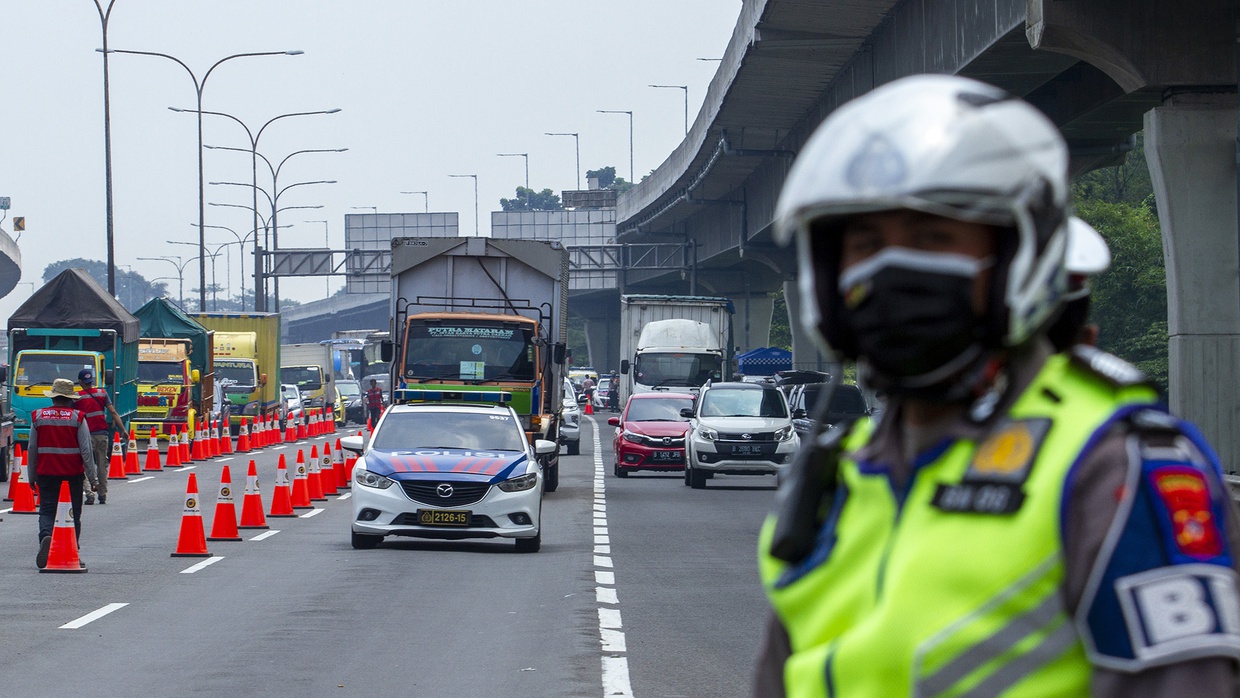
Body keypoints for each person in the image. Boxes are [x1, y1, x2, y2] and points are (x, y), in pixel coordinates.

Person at [755, 74, 1240, 697]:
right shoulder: (835, 484)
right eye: (865, 243)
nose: (893, 268)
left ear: (1018, 257)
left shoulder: (1113, 465)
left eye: (935, 236)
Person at [29, 378, 95, 569]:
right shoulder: (78, 417)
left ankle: (46, 536)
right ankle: (72, 551)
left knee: (47, 510)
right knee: (73, 513)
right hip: (72, 476)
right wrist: (92, 479)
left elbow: (32, 449)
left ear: (53, 397)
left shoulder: (38, 416)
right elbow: (86, 451)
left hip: (46, 474)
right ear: (70, 399)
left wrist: (32, 477)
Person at [75, 368, 122, 505]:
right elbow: (113, 412)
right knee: (102, 465)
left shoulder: (77, 397)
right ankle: (102, 494)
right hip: (102, 434)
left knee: (84, 465)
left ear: (80, 382)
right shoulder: (102, 393)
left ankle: (89, 494)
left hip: (85, 436)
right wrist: (123, 429)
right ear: (92, 381)